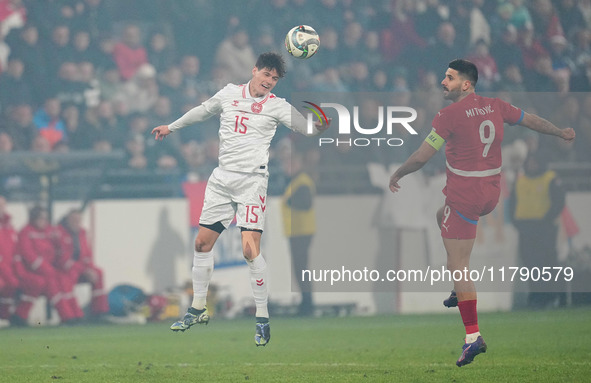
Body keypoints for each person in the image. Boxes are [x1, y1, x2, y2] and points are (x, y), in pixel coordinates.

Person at [388, 59, 575, 367]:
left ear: (467, 83)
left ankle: (473, 337)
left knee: (459, 265)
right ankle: (457, 288)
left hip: (466, 196)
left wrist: (398, 173)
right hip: (491, 192)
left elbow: (423, 156)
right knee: (440, 216)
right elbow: (530, 121)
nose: (443, 82)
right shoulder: (495, 105)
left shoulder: (447, 116)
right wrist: (560, 132)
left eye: (449, 77)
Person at [151, 52, 330, 346]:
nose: (269, 82)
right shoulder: (229, 94)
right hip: (222, 179)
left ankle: (262, 318)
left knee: (249, 250)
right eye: (266, 75)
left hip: (252, 182)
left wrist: (319, 126)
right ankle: (197, 308)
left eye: (274, 79)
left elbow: (305, 127)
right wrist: (172, 126)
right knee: (201, 244)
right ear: (254, 70)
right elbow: (202, 110)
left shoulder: (277, 106)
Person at [509, 150, 566, 308]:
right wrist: (517, 223)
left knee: (547, 264)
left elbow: (558, 202)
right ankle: (536, 297)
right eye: (529, 162)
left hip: (545, 228)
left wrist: (546, 221)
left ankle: (553, 296)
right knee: (530, 264)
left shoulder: (550, 178)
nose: (531, 165)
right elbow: (513, 203)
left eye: (534, 162)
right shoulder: (520, 181)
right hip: (526, 229)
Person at [12, 206, 81, 325]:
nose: (43, 221)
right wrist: (46, 268)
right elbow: (28, 255)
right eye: (40, 218)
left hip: (49, 270)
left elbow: (58, 249)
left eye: (45, 219)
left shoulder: (50, 232)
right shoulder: (26, 232)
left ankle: (76, 314)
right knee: (50, 283)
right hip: (31, 272)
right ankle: (66, 315)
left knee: (64, 281)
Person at [281, 149, 316, 316]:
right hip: (297, 231)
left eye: (292, 163)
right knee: (299, 267)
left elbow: (306, 203)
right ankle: (306, 301)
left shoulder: (302, 181)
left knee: (301, 268)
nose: (288, 167)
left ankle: (307, 303)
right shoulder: (296, 181)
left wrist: (289, 201)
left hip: (301, 230)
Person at [55, 209, 109, 319]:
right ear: (68, 220)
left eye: (79, 220)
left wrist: (89, 268)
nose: (77, 223)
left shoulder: (82, 233)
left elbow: (87, 254)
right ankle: (73, 315)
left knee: (98, 273)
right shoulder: (59, 233)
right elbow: (62, 259)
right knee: (67, 280)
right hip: (66, 270)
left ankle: (99, 312)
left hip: (80, 269)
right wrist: (83, 269)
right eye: (74, 220)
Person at [0, 196, 19, 326]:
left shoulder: (8, 225)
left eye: (3, 205)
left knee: (11, 284)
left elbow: (14, 248)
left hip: (8, 267)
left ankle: (4, 317)